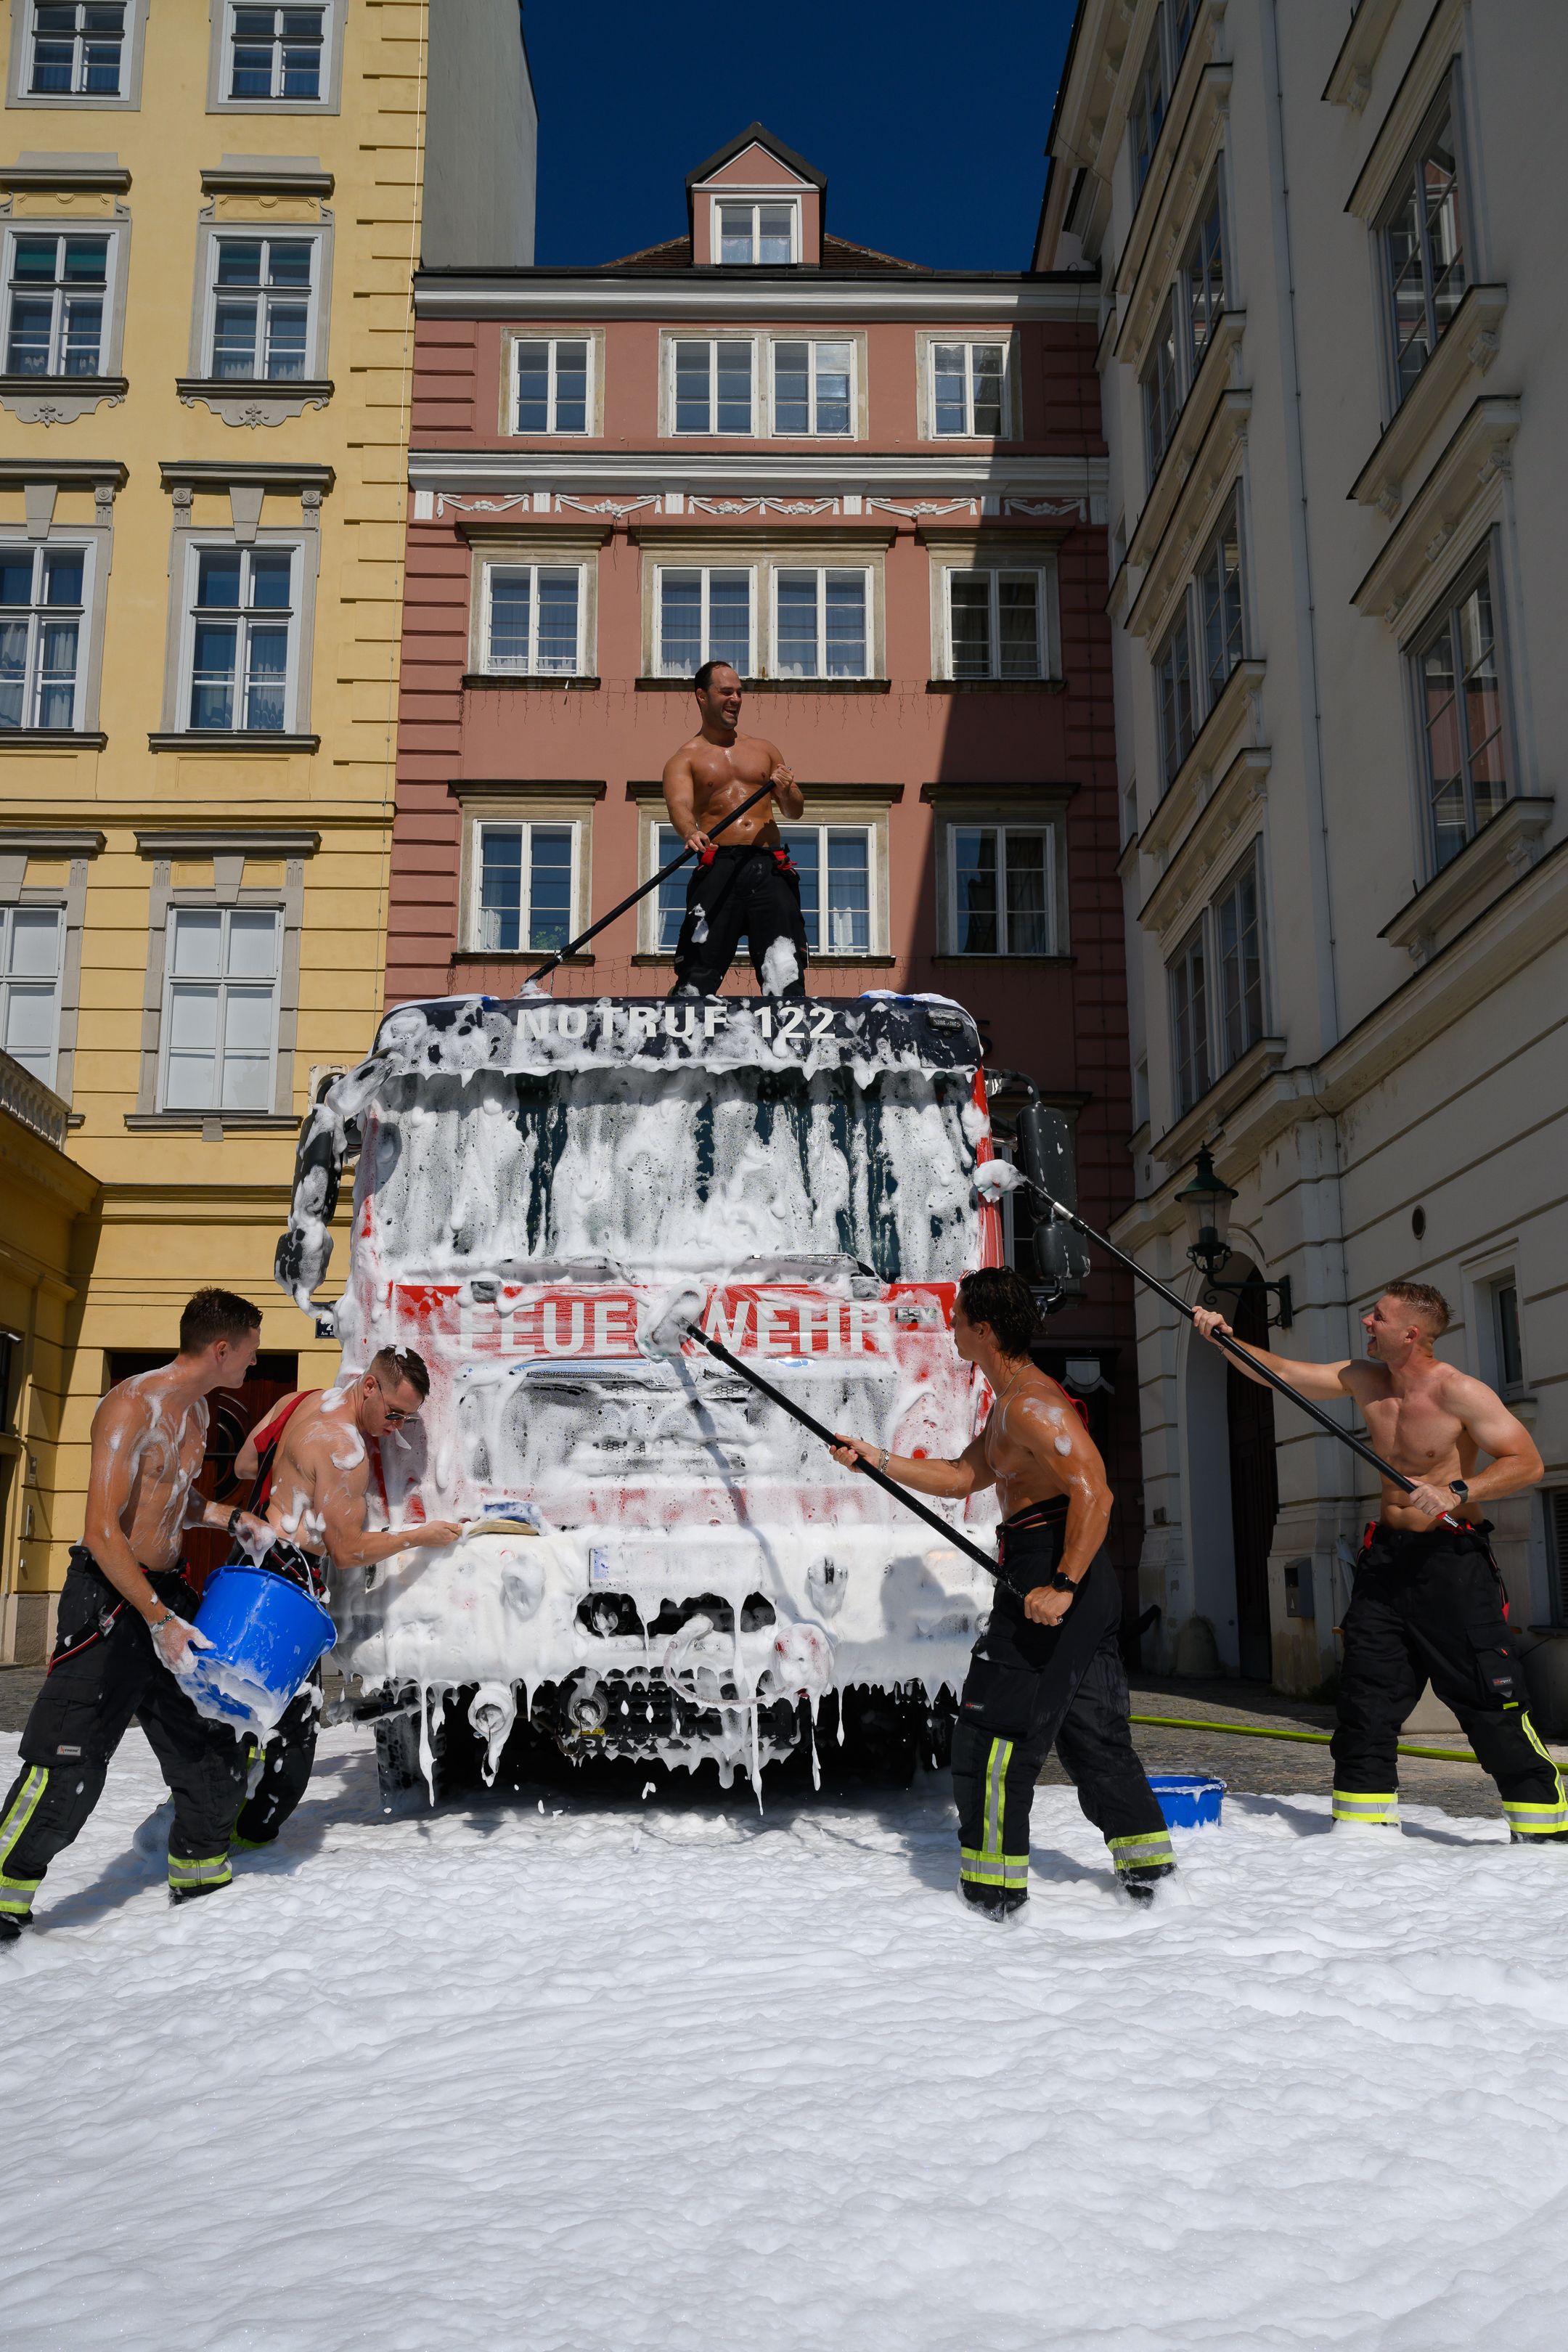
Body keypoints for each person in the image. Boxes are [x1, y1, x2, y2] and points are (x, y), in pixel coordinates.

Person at [831, 1265, 1175, 1916]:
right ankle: (1154, 1879)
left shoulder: (1033, 1406)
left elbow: (1094, 1492)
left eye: (958, 1318)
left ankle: (992, 1899)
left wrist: (1063, 1585)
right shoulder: (1009, 1405)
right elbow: (963, 1476)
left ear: (983, 1330)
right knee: (1093, 1735)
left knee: (989, 1740)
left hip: (1055, 1575)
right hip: (1058, 1572)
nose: (950, 1326)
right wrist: (875, 1458)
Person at [1192, 1279, 1564, 1840]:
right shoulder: (1365, 1380)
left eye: (1379, 1317)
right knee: (1367, 1695)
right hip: (1386, 1562)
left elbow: (1527, 1463)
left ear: (1411, 1333)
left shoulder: (1459, 1392)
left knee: (1488, 1698)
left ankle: (1543, 1830)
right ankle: (1362, 1832)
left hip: (1452, 1562)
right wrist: (1224, 1340)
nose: (1367, 1322)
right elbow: (1285, 1374)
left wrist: (1458, 1490)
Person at [0, 1289, 277, 1940]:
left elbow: (170, 1501)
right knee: (69, 1761)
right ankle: (5, 1894)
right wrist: (157, 1619)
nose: (252, 1365)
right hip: (111, 1602)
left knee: (209, 1741)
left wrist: (227, 1517)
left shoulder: (199, 1414)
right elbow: (102, 1531)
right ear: (220, 1349)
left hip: (165, 1595)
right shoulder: (131, 1407)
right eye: (250, 1353)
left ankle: (201, 1879)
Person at [226, 1347, 460, 1850]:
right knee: (293, 1732)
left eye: (407, 1418)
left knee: (235, 1703)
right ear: (369, 1386)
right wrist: (420, 1536)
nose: (396, 1427)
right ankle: (242, 1840)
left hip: (249, 1564)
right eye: (393, 1413)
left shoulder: (297, 1401)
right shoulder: (345, 1450)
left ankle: (208, 1818)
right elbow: (349, 1551)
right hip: (286, 1584)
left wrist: (295, 1487)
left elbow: (248, 1464)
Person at [662, 659, 809, 1000]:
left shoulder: (764, 749)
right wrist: (689, 831)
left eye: (739, 692)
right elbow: (679, 806)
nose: (736, 699)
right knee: (698, 968)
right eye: (726, 691)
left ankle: (791, 1034)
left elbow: (795, 810)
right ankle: (686, 1024)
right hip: (719, 865)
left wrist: (786, 790)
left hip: (767, 864)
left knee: (784, 964)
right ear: (702, 696)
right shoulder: (685, 758)